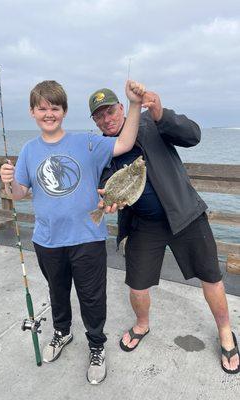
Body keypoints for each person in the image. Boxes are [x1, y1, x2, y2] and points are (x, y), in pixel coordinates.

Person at [0, 79, 145, 384]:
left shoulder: (87, 143)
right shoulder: (28, 150)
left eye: (54, 107)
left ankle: (96, 345)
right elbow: (18, 194)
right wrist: (7, 180)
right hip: (47, 239)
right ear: (32, 112)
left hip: (87, 237)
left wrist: (133, 105)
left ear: (64, 111)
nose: (48, 113)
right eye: (42, 108)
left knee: (92, 298)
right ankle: (62, 333)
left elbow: (125, 143)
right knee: (58, 292)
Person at [88, 87, 240, 374]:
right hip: (144, 225)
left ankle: (225, 331)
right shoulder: (105, 149)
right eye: (98, 116)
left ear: (122, 107)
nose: (106, 119)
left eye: (109, 111)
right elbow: (106, 181)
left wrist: (160, 112)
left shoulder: (150, 123)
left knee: (211, 276)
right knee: (137, 284)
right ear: (95, 122)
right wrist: (107, 200)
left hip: (185, 214)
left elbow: (193, 135)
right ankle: (142, 324)